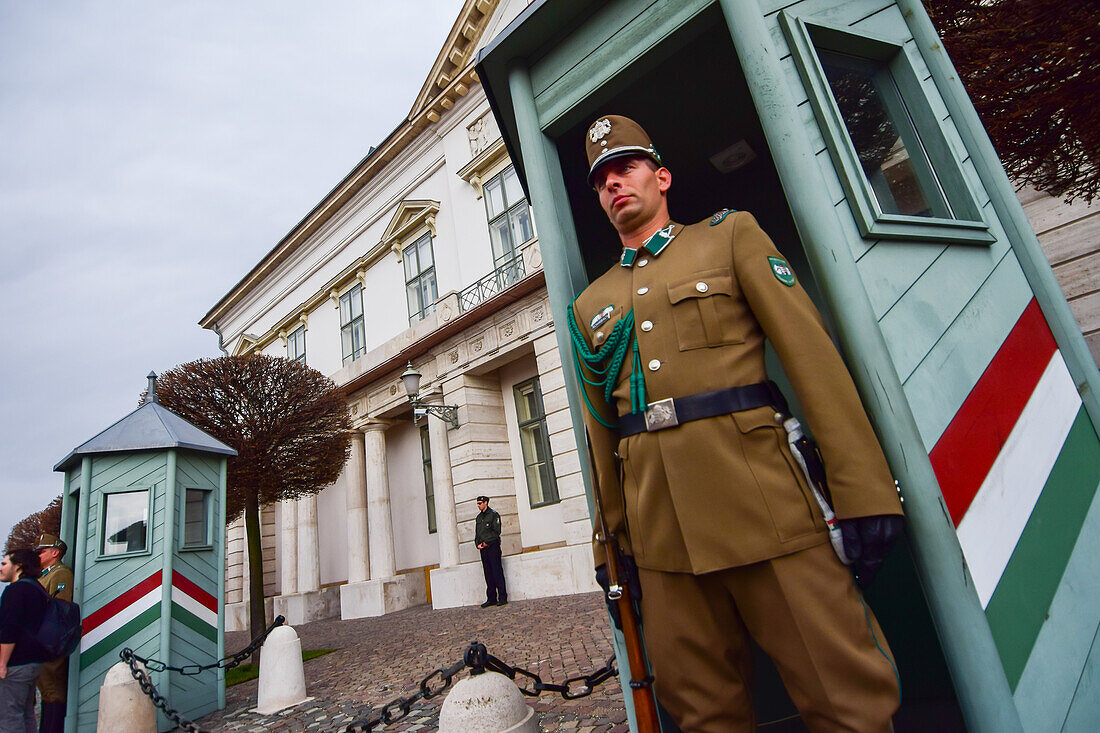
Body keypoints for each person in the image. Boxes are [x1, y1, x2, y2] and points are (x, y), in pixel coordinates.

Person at [570, 115, 904, 732]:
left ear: (661, 177)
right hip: (662, 536)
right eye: (601, 180)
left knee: (845, 698)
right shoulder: (591, 304)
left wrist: (864, 493)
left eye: (626, 167)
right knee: (702, 713)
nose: (614, 183)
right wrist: (611, 542)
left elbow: (813, 363)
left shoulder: (729, 239)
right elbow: (603, 436)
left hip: (766, 507)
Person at [0, 549, 50, 733]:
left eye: (5, 564)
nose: (1, 568)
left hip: (16, 664)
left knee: (8, 718)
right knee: (27, 715)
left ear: (18, 566)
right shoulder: (37, 589)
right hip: (34, 663)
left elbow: (10, 629)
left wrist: (2, 663)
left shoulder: (15, 591)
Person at [35, 534, 73, 733]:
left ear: (55, 552)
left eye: (41, 551)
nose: (38, 555)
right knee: (47, 692)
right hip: (43, 642)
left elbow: (61, 611)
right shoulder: (46, 575)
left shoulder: (61, 574)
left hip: (51, 643)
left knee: (53, 691)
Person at [473, 496, 507, 607]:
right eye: (477, 503)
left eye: (480, 503)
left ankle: (502, 597)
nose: (478, 505)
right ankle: (491, 598)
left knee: (497, 571)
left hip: (493, 547)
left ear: (486, 503)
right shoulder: (478, 518)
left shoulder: (493, 515)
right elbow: (477, 534)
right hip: (483, 549)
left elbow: (496, 531)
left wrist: (487, 542)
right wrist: (478, 544)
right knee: (488, 573)